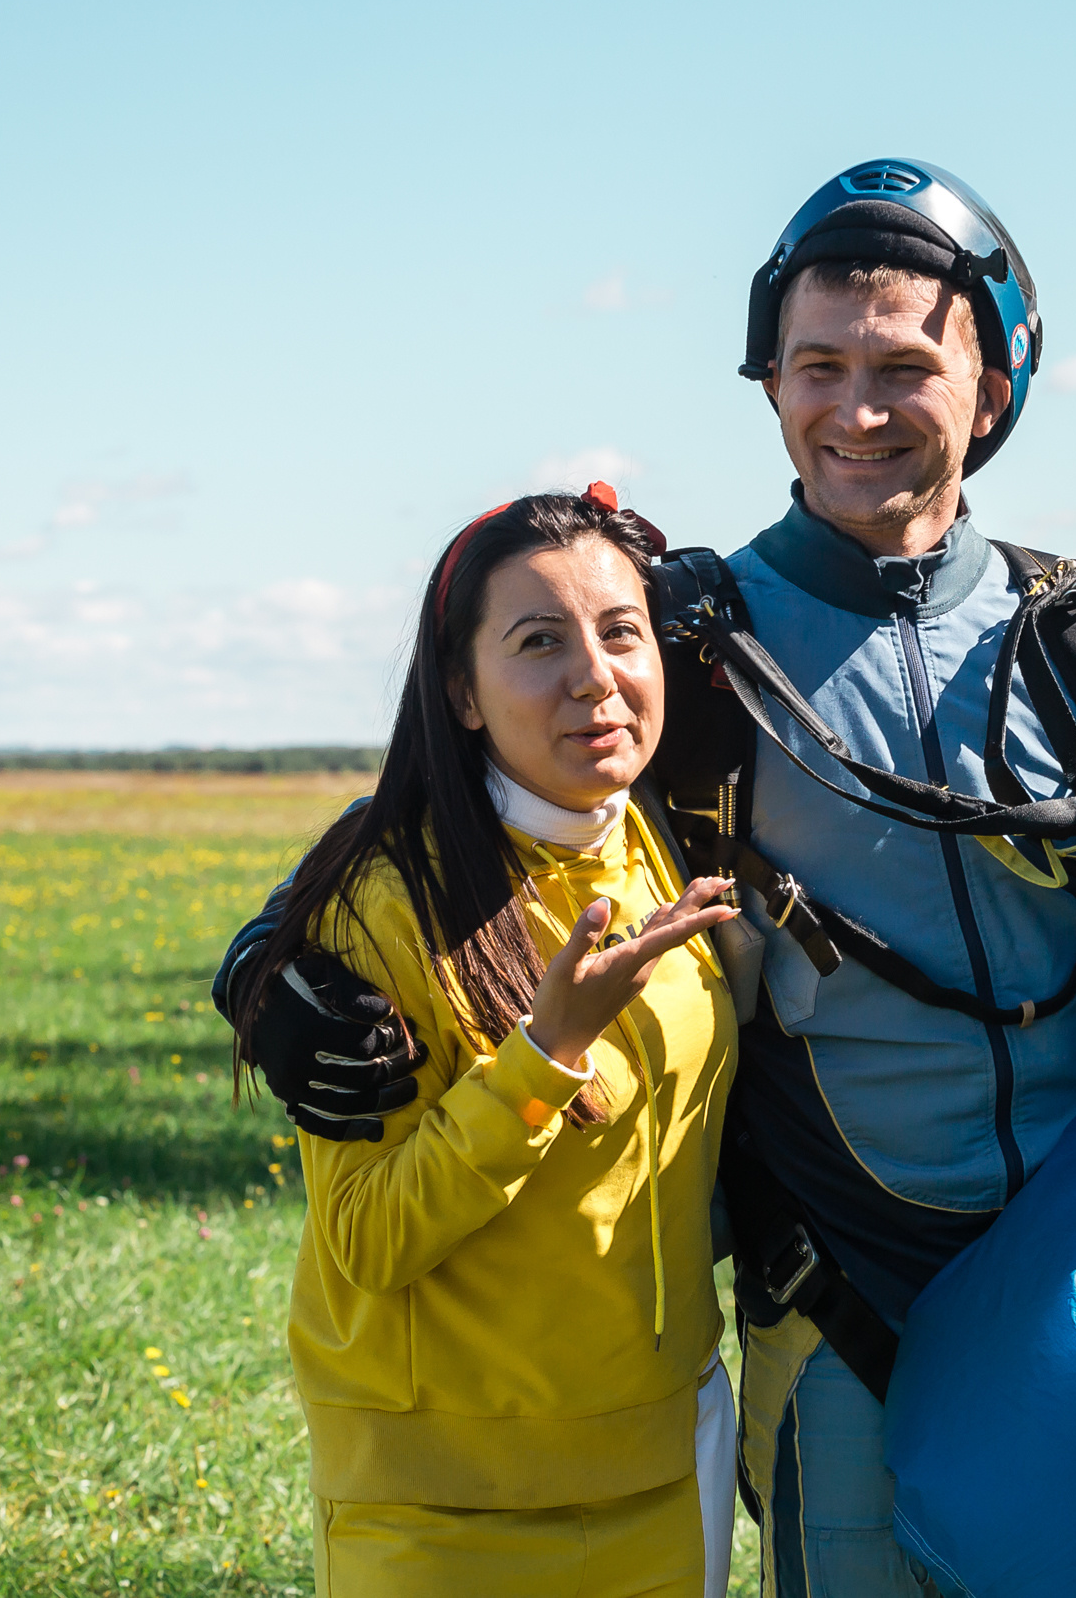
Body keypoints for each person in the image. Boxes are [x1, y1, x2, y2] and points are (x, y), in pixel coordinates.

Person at [218, 160, 1076, 1597]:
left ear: (992, 391)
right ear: (770, 384)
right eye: (819, 367)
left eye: (904, 368)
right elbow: (468, 786)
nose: (856, 410)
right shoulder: (691, 644)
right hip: (842, 1309)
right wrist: (265, 960)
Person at [231, 486, 744, 1598]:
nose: (594, 677)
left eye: (621, 632)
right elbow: (369, 1238)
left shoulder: (667, 837)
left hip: (668, 1463)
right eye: (538, 642)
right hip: (443, 1507)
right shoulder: (378, 903)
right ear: (460, 691)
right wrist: (542, 1055)